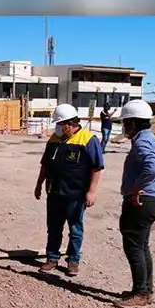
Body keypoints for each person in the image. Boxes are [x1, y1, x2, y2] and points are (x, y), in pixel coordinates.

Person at [34, 103, 105, 277]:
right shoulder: (54, 139)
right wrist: (39, 184)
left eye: (60, 124)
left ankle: (73, 260)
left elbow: (97, 167)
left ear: (69, 124)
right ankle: (52, 257)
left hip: (76, 194)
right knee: (54, 228)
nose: (57, 128)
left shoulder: (88, 140)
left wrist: (92, 191)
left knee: (75, 229)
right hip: (54, 192)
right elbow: (45, 164)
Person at [113, 99, 155, 308]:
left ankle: (141, 293)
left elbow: (151, 168)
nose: (124, 127)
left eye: (125, 123)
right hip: (150, 199)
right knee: (141, 246)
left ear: (134, 123)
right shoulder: (151, 139)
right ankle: (145, 289)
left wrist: (136, 188)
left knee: (134, 247)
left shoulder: (142, 142)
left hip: (141, 200)